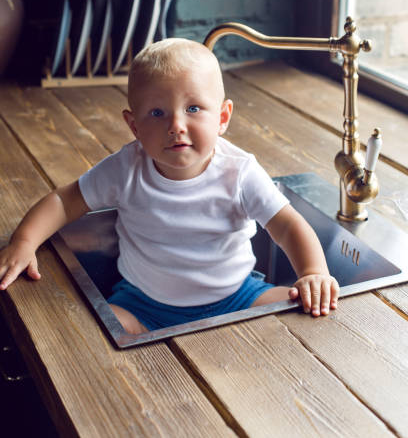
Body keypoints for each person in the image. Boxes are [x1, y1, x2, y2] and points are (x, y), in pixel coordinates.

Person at [0, 38, 339, 334]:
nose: (176, 126)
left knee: (300, 308)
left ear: (222, 118)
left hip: (238, 296)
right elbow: (65, 200)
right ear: (133, 125)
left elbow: (287, 225)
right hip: (142, 305)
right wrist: (24, 241)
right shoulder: (126, 168)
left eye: (193, 108)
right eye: (157, 113)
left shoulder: (240, 172)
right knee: (91, 334)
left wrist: (313, 272)